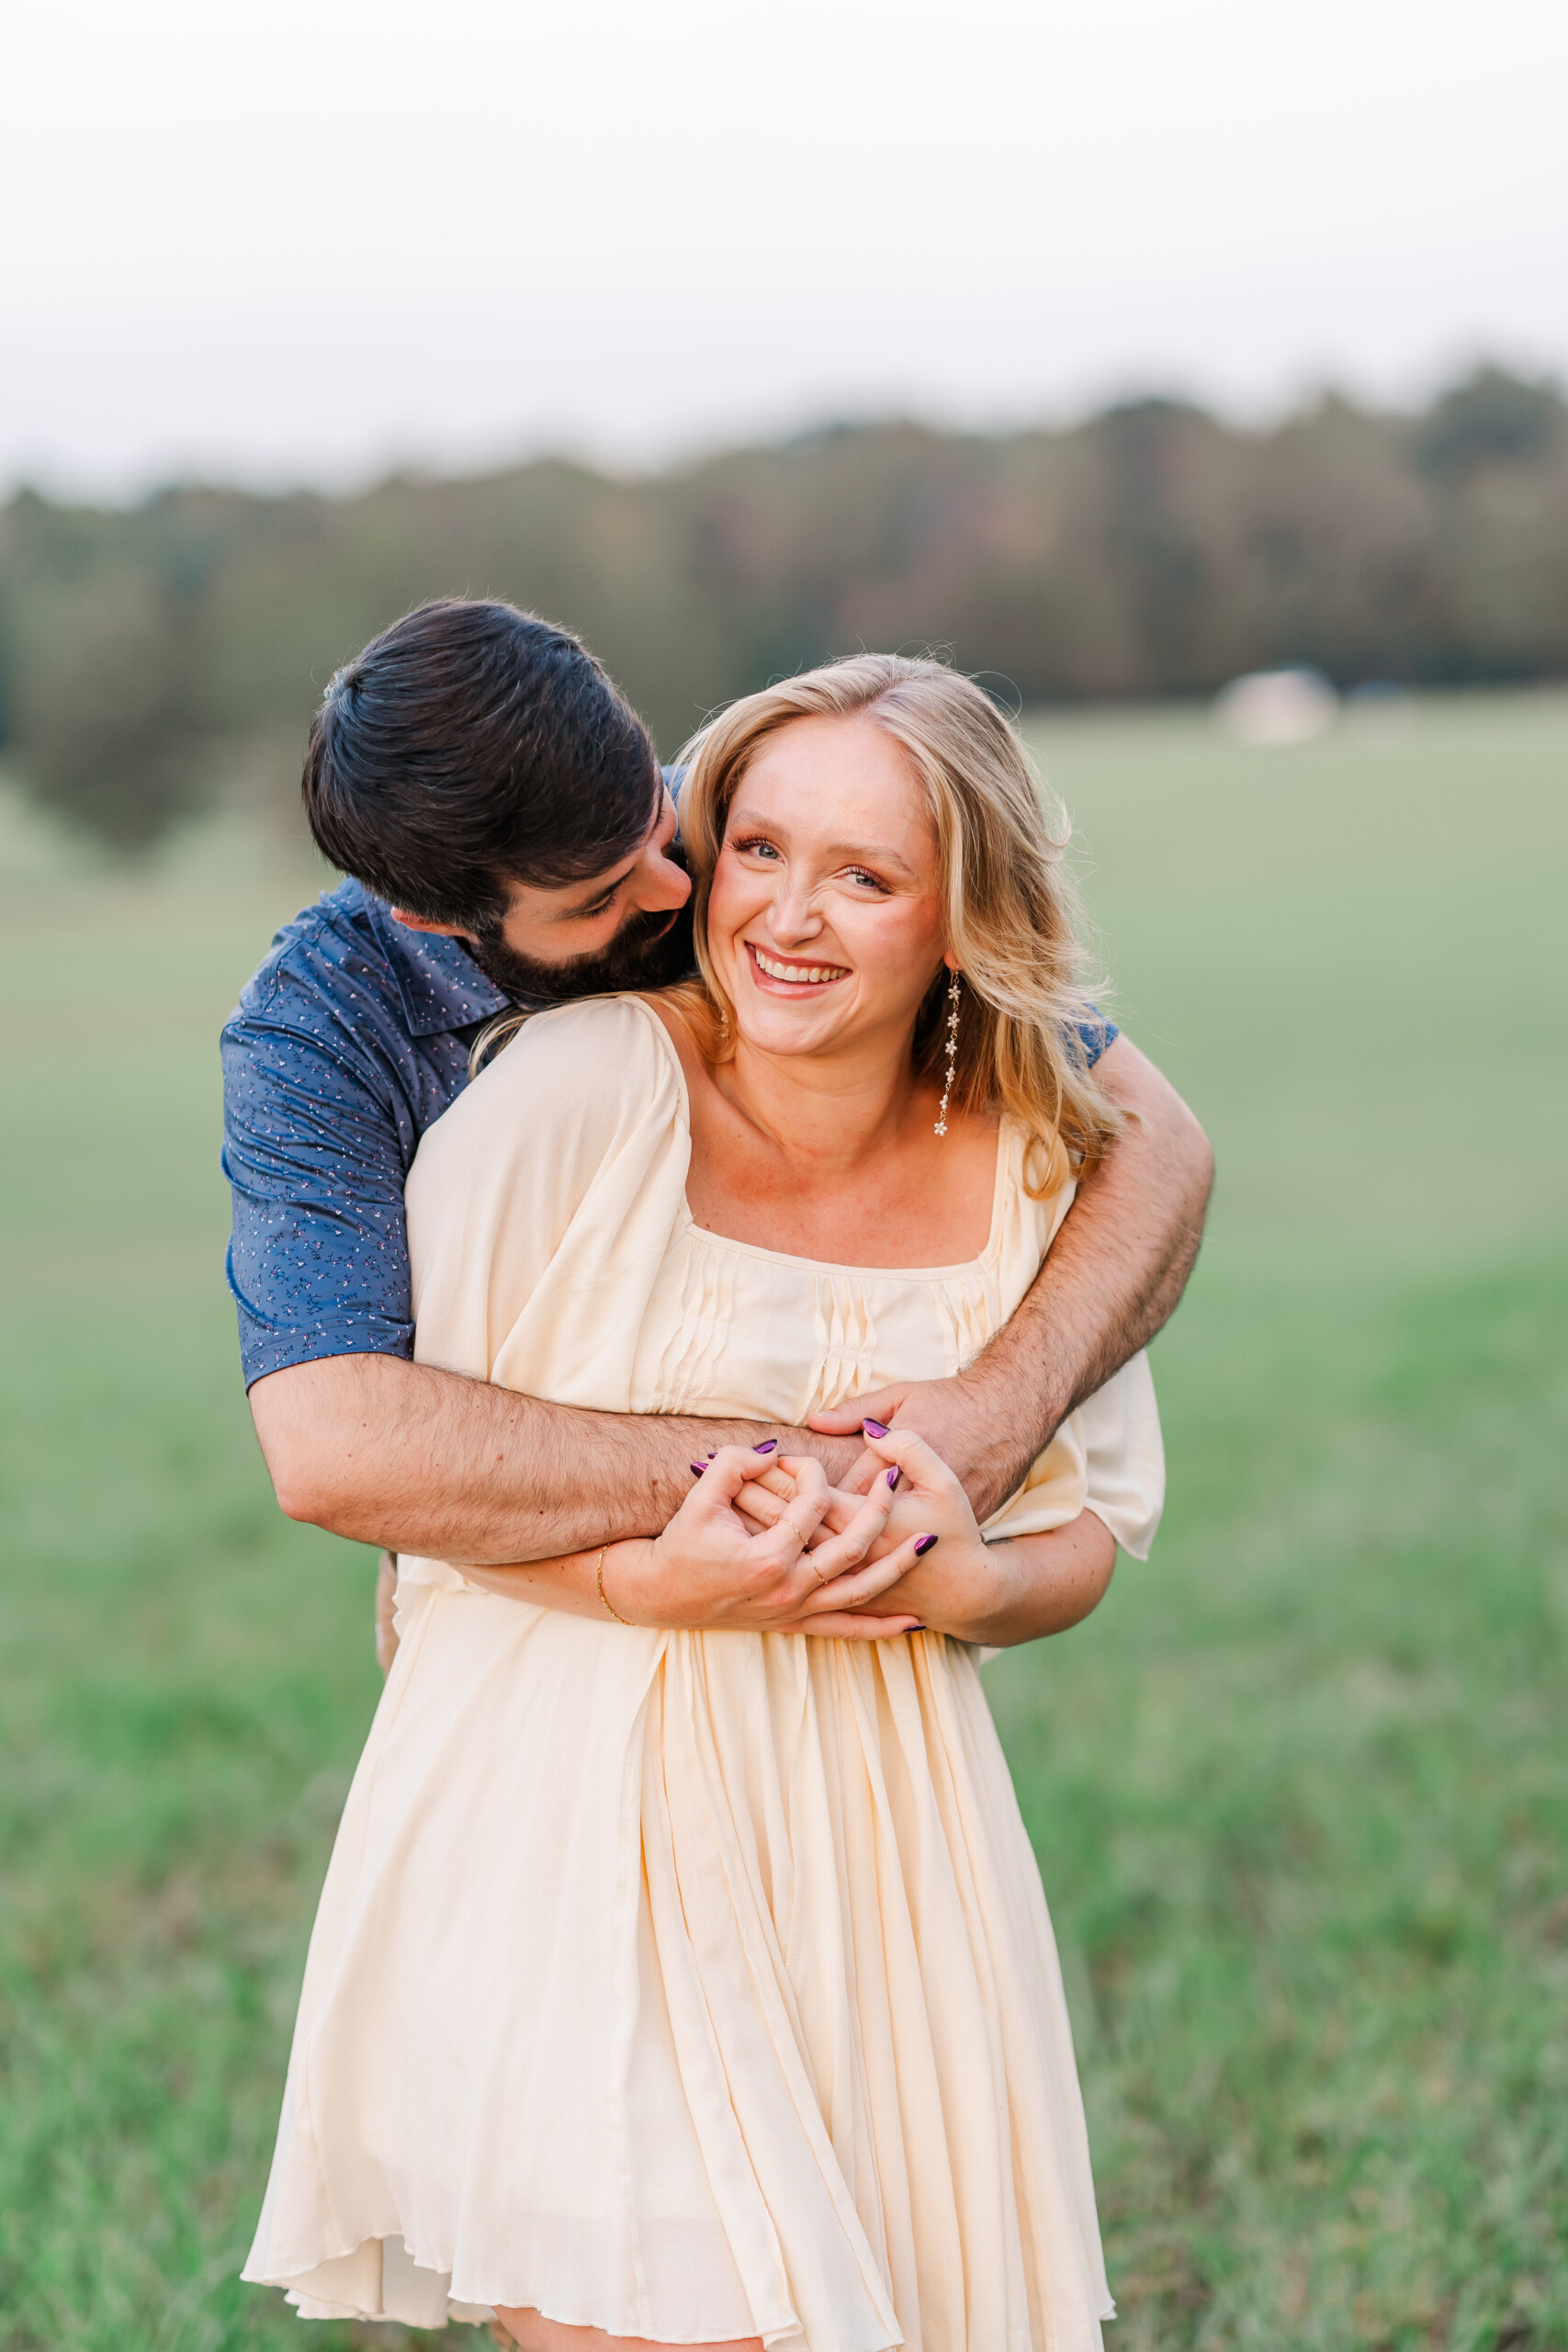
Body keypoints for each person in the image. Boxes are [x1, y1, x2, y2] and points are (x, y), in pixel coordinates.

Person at [243, 655, 1174, 2346]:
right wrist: (735, 1520)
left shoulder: (1002, 1113)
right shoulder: (494, 1075)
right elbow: (360, 1458)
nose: (703, 896)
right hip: (573, 1800)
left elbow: (1141, 1217)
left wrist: (967, 1503)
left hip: (883, 1843)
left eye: (688, 833)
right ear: (460, 926)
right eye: (675, 873)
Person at [222, 603, 1211, 1643]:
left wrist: (1000, 1413)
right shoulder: (321, 1022)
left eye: (659, 818)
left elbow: (1159, 1139)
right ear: (437, 921)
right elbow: (334, 1445)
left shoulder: (757, 842)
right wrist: (826, 1477)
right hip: (503, 1616)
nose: (676, 884)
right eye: (605, 891)